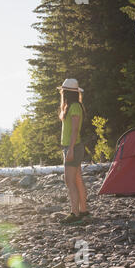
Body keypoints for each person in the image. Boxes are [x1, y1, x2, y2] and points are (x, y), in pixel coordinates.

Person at [57, 79, 90, 225]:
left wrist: (70, 149)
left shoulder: (74, 107)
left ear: (67, 92)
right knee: (77, 179)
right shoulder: (71, 106)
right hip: (73, 146)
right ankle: (83, 211)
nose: (61, 93)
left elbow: (75, 129)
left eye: (63, 91)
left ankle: (75, 213)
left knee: (69, 181)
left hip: (73, 147)